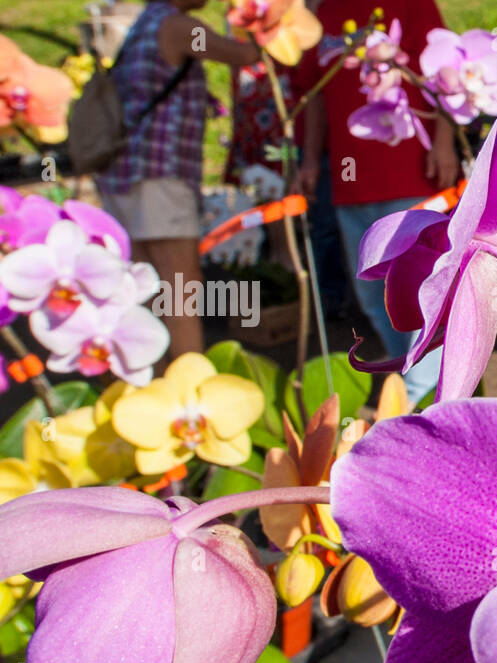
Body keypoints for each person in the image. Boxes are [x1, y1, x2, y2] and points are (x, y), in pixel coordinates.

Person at [296, 0, 458, 404]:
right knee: (371, 294)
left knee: (422, 290)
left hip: (411, 176)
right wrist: (310, 159)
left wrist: (443, 142)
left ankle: (422, 396)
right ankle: (410, 376)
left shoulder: (413, 5)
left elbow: (441, 78)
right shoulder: (318, 14)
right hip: (349, 182)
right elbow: (313, 95)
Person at [96, 0, 260, 357]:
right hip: (159, 175)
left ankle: (146, 385)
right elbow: (245, 55)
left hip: (124, 175)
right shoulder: (178, 27)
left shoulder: (145, 24)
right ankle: (190, 384)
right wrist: (271, 20)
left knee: (143, 290)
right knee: (180, 288)